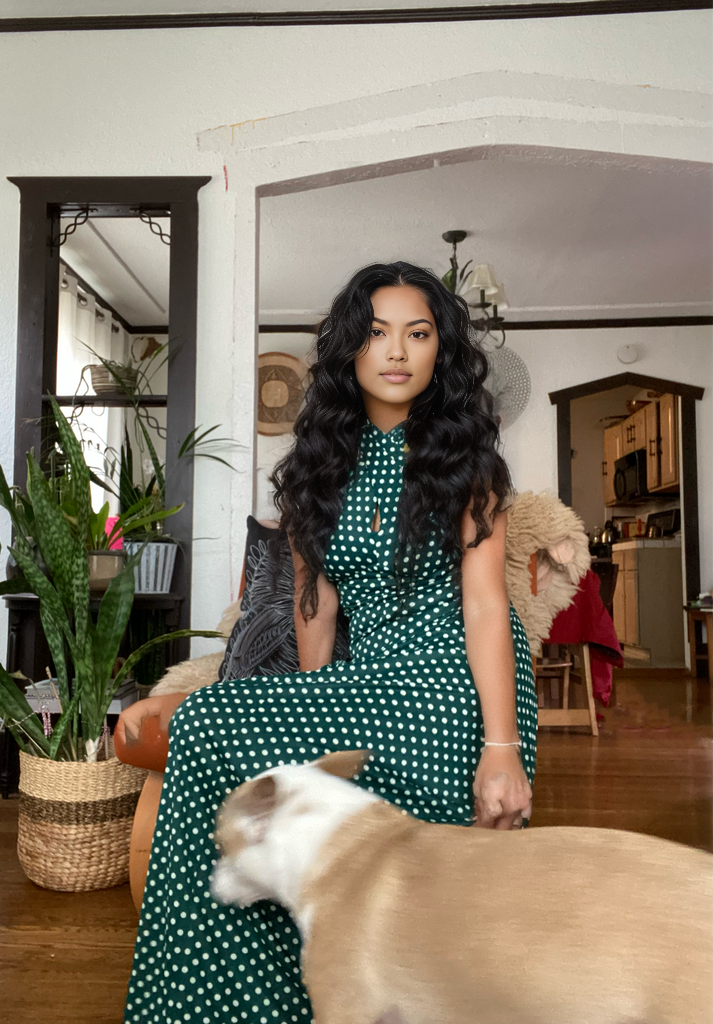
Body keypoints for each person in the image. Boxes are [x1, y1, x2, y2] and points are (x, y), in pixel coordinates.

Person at [121, 261, 536, 1024]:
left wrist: (503, 749)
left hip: (448, 689)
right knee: (213, 740)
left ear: (440, 351)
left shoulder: (466, 462)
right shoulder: (318, 469)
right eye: (378, 333)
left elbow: (485, 609)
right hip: (369, 683)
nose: (398, 351)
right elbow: (316, 608)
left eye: (419, 333)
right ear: (350, 347)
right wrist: (309, 708)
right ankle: (240, 1005)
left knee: (207, 720)